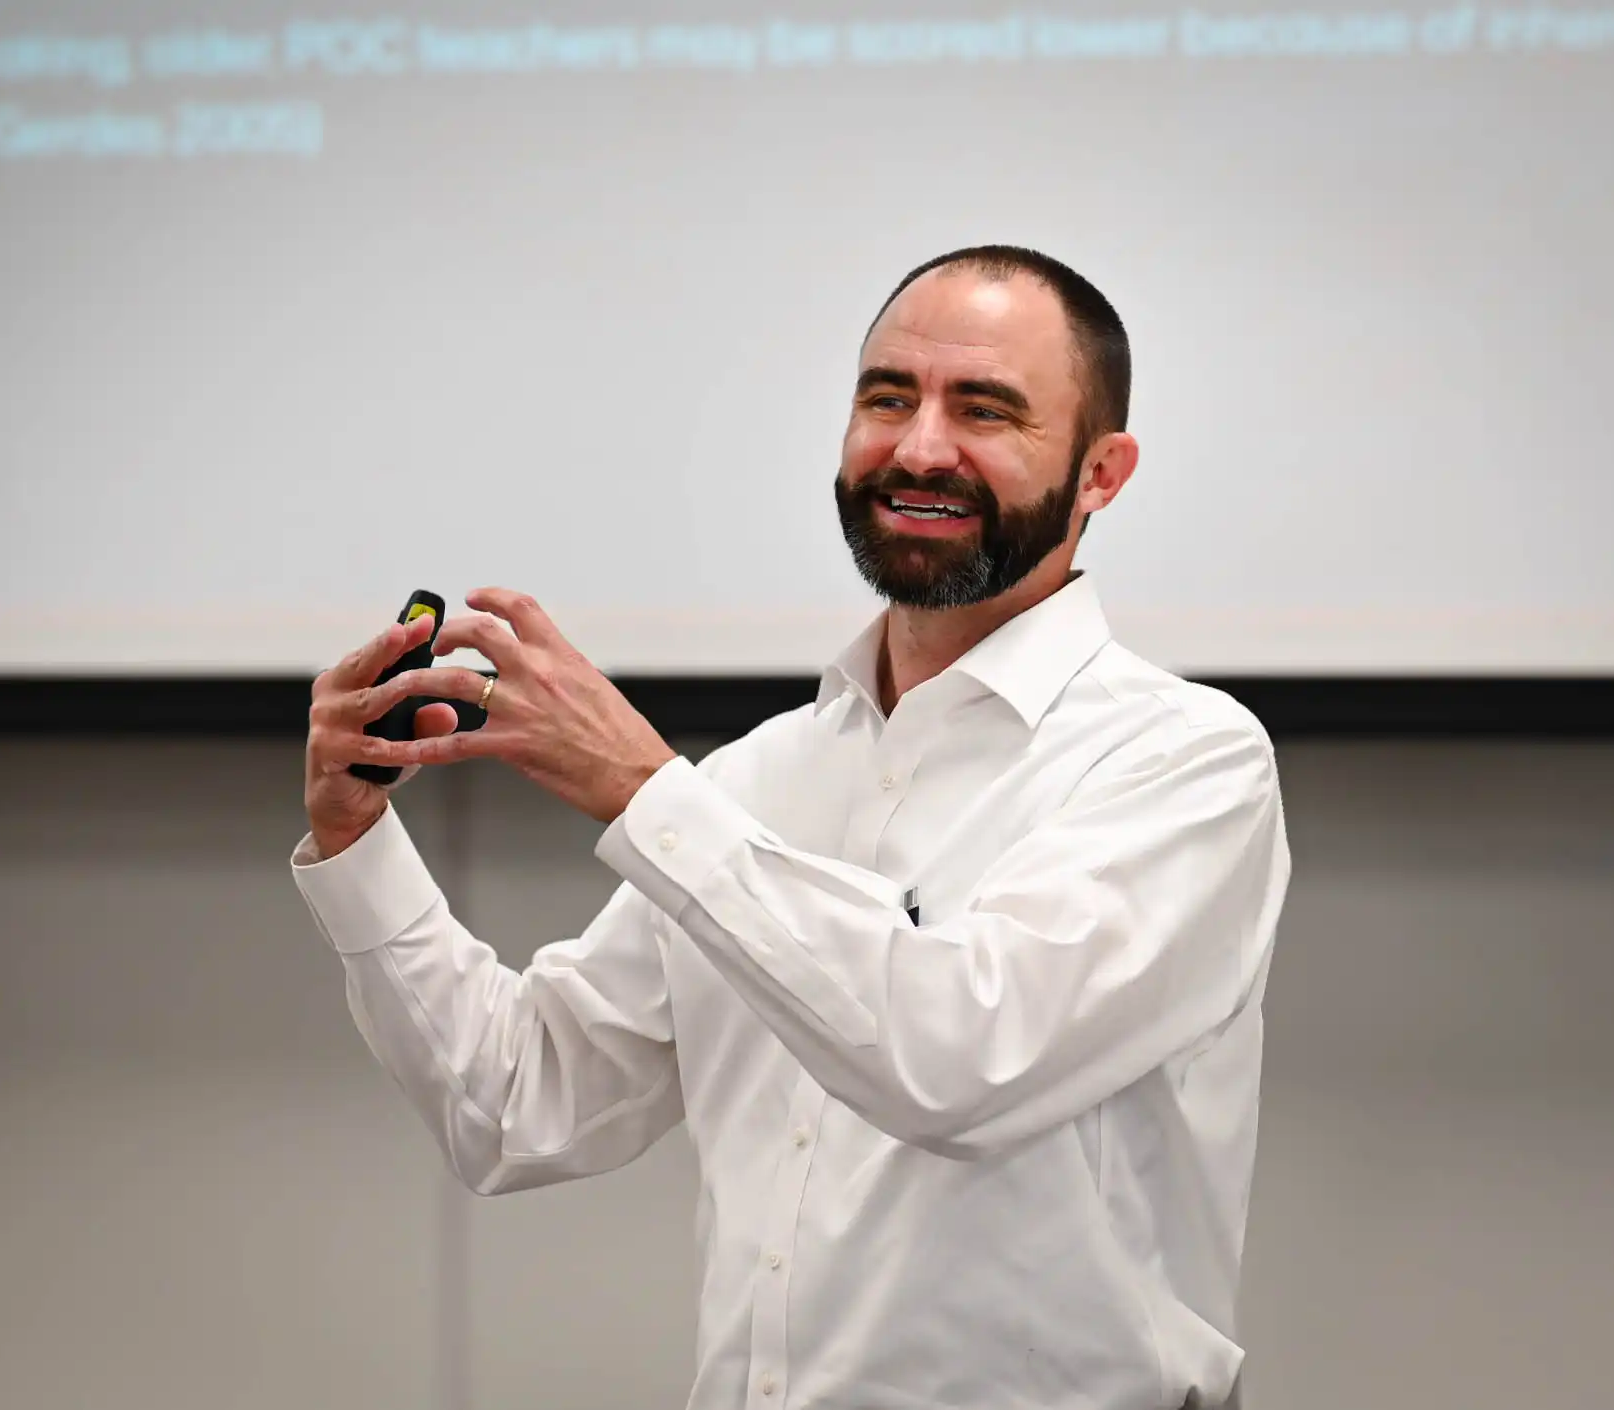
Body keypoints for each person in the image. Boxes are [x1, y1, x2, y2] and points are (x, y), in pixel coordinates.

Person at [291, 244, 1290, 1409]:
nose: (918, 448)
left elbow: (961, 1063)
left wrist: (642, 790)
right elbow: (519, 1103)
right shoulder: (758, 782)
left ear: (1099, 473)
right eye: (885, 398)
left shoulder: (1181, 762)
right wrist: (354, 837)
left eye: (984, 410)